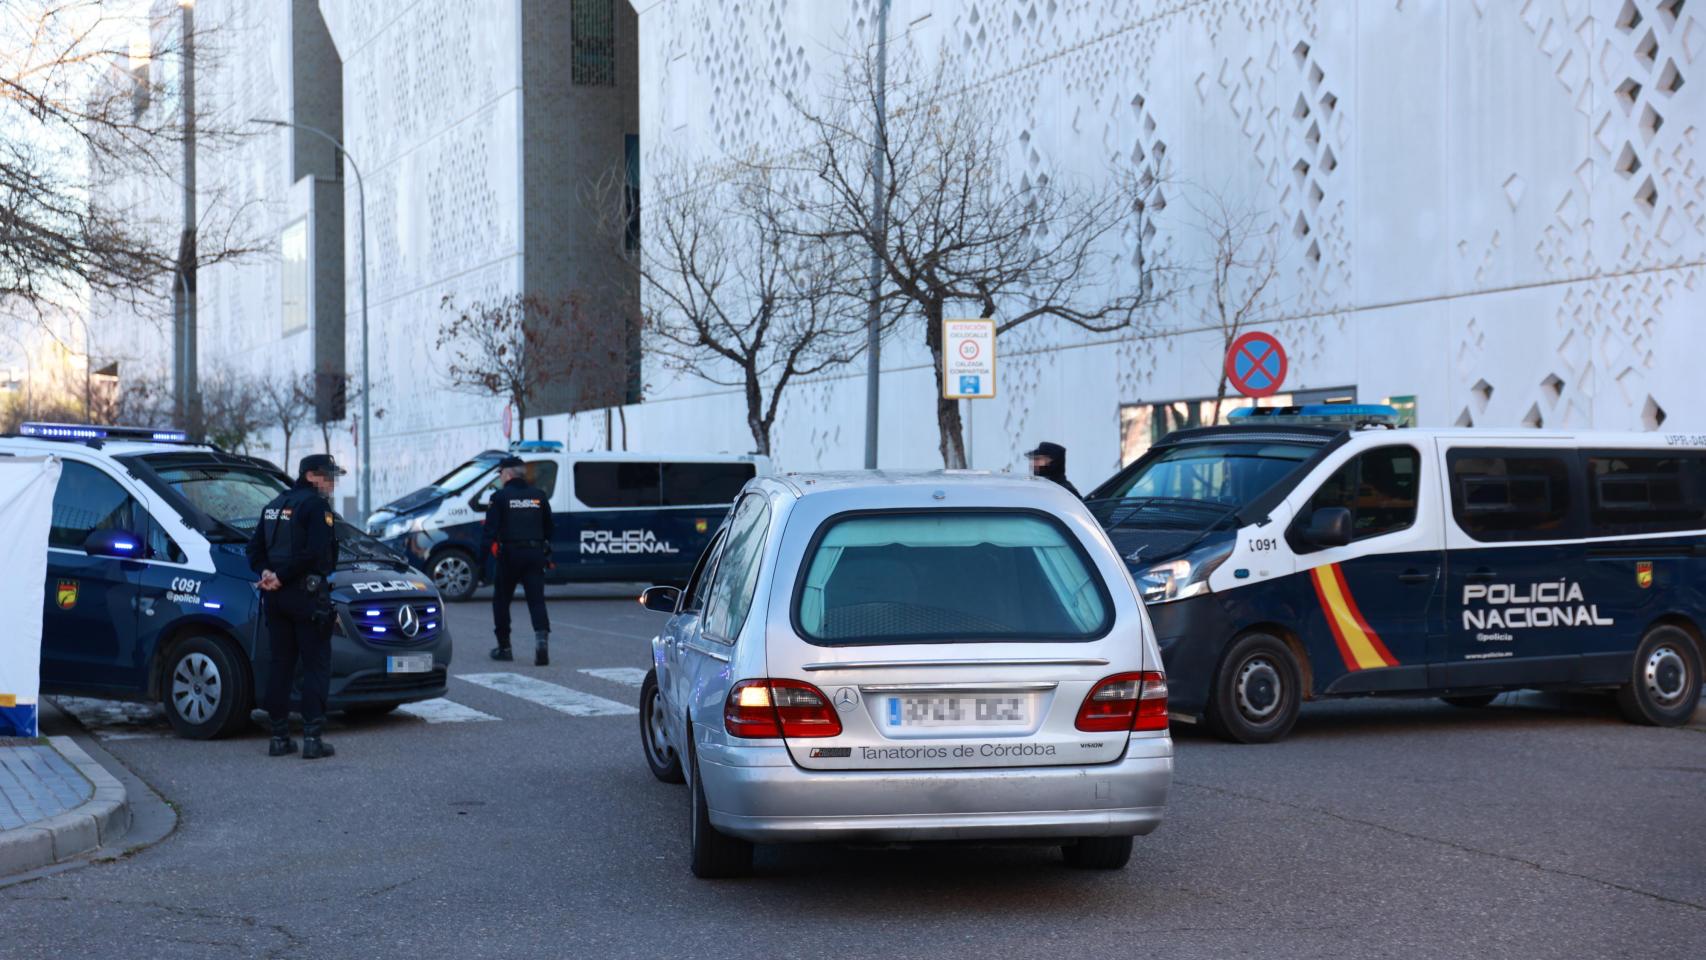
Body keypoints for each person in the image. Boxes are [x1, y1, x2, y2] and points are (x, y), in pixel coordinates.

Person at [246, 453, 343, 760]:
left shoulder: (275, 505)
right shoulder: (316, 506)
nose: (332, 483)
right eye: (328, 477)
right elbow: (316, 554)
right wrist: (280, 575)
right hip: (306, 596)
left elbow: (254, 549)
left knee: (281, 665)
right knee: (315, 666)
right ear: (312, 476)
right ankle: (312, 739)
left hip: (276, 598)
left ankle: (279, 738)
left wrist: (266, 573)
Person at [483, 456, 554, 665]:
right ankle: (542, 643)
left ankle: (504, 647)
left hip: (509, 555)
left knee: (502, 601)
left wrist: (481, 561)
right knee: (536, 600)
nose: (501, 478)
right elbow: (549, 528)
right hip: (534, 554)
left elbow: (489, 532)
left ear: (507, 474)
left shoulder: (500, 497)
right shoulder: (539, 496)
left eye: (501, 474)